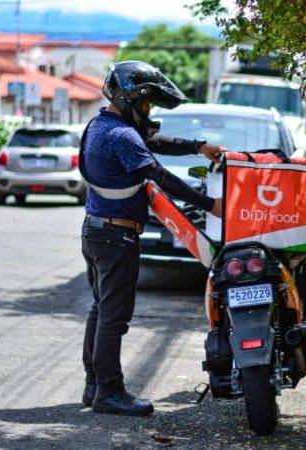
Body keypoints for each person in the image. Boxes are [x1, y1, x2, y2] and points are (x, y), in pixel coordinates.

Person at [79, 61, 226, 416]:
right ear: (132, 99)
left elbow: (154, 143)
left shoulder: (101, 125)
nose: (148, 111)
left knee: (101, 310)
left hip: (96, 230)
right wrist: (209, 204)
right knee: (114, 317)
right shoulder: (122, 136)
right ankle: (109, 393)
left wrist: (198, 145)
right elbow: (156, 173)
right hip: (116, 237)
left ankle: (94, 385)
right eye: (147, 104)